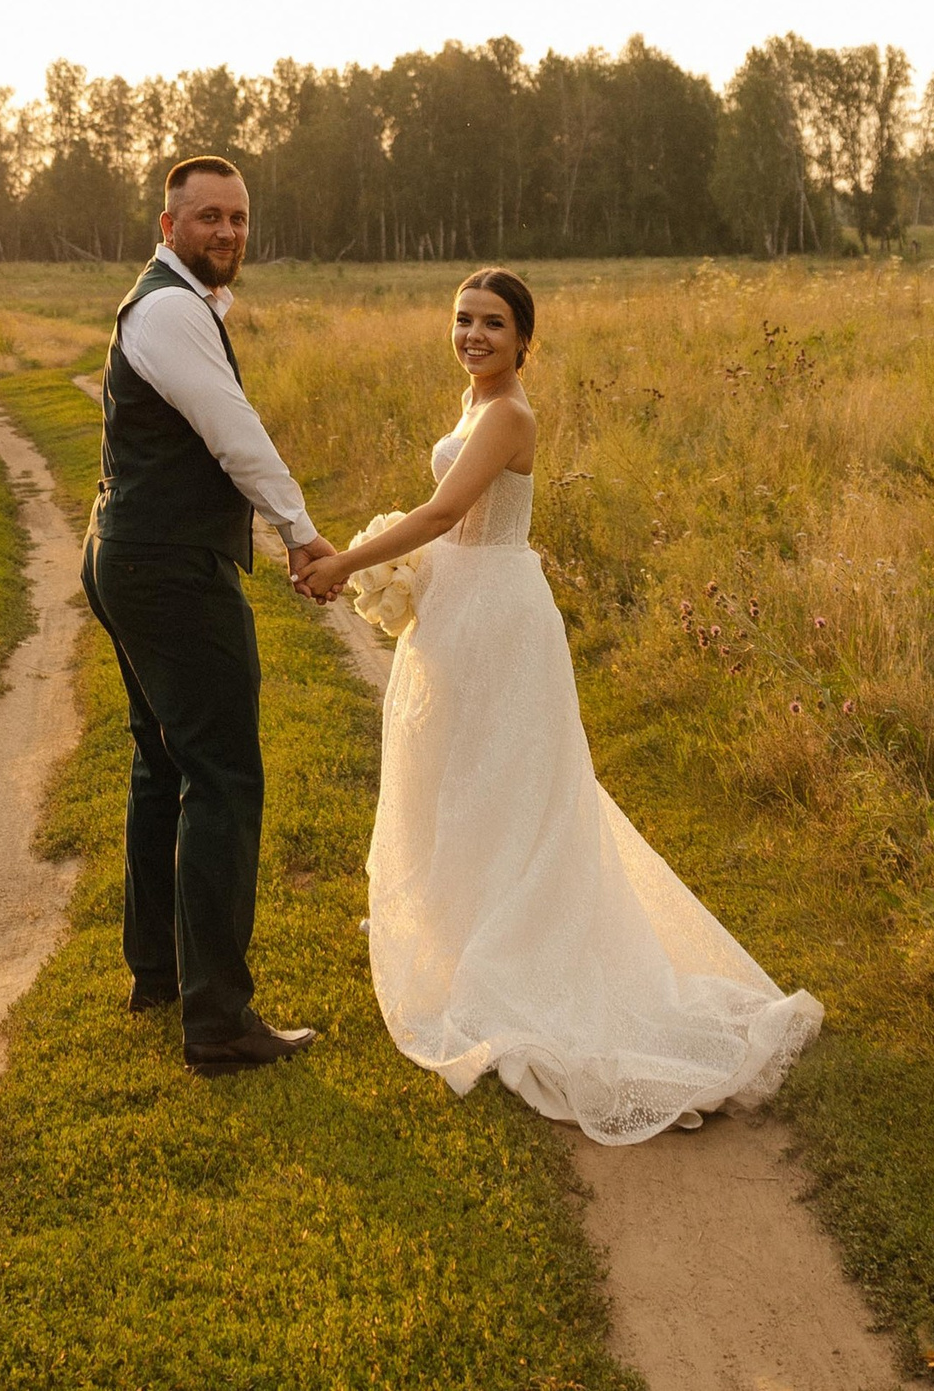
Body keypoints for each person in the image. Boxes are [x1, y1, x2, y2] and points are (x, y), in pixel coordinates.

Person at [297, 270, 823, 1142]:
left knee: (510, 786)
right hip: (459, 607)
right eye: (463, 319)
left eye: (493, 323)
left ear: (524, 339)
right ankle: (467, 928)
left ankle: (523, 955)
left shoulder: (509, 414)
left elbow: (443, 512)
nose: (473, 334)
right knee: (458, 777)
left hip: (499, 616)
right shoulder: (475, 401)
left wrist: (346, 563)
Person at [81, 154, 333, 1075]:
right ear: (168, 226)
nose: (227, 231)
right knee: (223, 777)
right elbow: (235, 434)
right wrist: (300, 532)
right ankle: (219, 1021)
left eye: (238, 217)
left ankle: (159, 972)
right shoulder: (171, 310)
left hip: (132, 552)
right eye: (208, 216)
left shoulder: (174, 304)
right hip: (168, 569)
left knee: (164, 764)